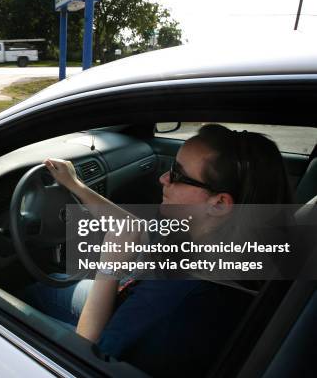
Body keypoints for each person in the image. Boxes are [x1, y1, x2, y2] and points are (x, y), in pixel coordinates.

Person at [25, 124, 293, 377]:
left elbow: (83, 361)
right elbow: (134, 229)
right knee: (53, 284)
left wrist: (108, 268)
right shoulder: (232, 243)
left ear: (220, 204)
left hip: (114, 328)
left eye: (177, 174)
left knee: (26, 305)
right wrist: (76, 186)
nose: (163, 177)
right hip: (131, 297)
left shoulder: (171, 301)